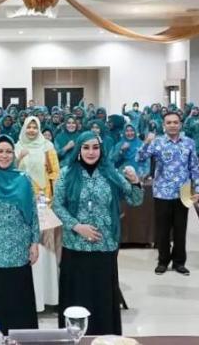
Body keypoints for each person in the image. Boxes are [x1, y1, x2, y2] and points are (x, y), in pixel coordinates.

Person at [53, 131, 144, 335]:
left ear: (101, 150)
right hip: (75, 246)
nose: (91, 152)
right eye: (86, 147)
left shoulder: (111, 173)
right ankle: (74, 336)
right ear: (78, 150)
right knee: (76, 296)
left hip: (105, 246)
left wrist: (135, 181)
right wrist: (77, 226)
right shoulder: (67, 173)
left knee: (102, 296)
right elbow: (57, 205)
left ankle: (104, 337)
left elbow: (135, 200)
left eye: (95, 147)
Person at [0, 135, 39, 335]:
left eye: (9, 151)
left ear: (14, 154)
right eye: (0, 151)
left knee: (18, 296)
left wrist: (34, 242)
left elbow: (33, 213)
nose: (4, 155)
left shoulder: (23, 178)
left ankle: (21, 338)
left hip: (18, 248)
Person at [138, 112, 199, 275]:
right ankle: (163, 261)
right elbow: (140, 158)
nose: (172, 125)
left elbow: (194, 167)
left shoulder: (189, 143)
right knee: (163, 230)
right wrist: (146, 142)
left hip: (183, 192)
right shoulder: (157, 142)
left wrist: (198, 189)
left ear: (180, 124)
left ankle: (179, 262)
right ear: (164, 125)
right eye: (169, 122)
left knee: (180, 229)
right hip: (162, 192)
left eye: (175, 122)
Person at [16, 116, 60, 203]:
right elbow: (12, 171)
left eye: (35, 128)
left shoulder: (47, 146)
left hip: (43, 193)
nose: (31, 130)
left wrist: (52, 192)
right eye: (28, 127)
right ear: (24, 129)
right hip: (22, 192)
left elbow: (55, 172)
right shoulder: (17, 147)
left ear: (39, 129)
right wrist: (20, 157)